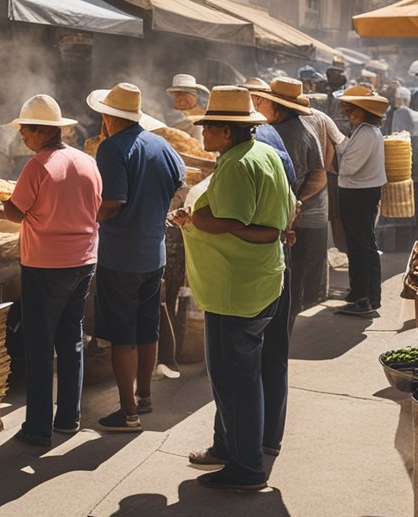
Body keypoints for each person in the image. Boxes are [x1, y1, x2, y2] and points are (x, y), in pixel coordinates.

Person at [170, 86, 292, 491]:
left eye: (208, 127)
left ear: (225, 131)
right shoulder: (263, 154)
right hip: (253, 281)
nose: (203, 133)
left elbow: (235, 223)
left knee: (235, 379)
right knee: (231, 376)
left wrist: (198, 221)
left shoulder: (239, 165)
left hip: (236, 286)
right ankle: (228, 446)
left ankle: (246, 467)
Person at [1, 95, 102, 447]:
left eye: (25, 130)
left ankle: (38, 428)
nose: (22, 137)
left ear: (43, 131)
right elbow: (95, 206)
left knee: (40, 345)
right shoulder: (86, 162)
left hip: (45, 265)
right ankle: (69, 417)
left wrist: (4, 204)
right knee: (71, 338)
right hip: (84, 261)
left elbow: (16, 211)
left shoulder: (38, 166)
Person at [87, 83, 185, 433]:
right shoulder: (162, 145)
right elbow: (178, 184)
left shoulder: (111, 149)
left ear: (109, 117)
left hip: (120, 257)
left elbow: (112, 203)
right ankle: (144, 396)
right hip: (152, 253)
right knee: (148, 328)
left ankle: (128, 413)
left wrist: (84, 215)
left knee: (122, 336)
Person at [252, 79, 328, 314]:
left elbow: (315, 175)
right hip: (292, 212)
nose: (259, 106)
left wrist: (297, 201)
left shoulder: (291, 133)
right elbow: (319, 173)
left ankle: (284, 318)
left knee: (288, 273)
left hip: (290, 216)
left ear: (278, 107)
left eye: (264, 102)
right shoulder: (298, 128)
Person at [333, 87, 389, 318]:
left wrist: (336, 161)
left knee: (360, 247)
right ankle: (365, 294)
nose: (346, 112)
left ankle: (363, 300)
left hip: (358, 194)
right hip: (361, 193)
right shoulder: (365, 131)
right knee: (363, 245)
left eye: (350, 109)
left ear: (361, 111)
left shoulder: (366, 133)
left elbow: (348, 168)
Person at [390, 86, 418, 234]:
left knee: (415, 198)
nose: (399, 103)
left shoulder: (400, 116)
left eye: (400, 100)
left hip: (410, 166)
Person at [165, 74, 209, 142]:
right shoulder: (171, 114)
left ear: (195, 97)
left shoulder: (202, 110)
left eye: (186, 95)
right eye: (178, 96)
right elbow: (185, 121)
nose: (181, 100)